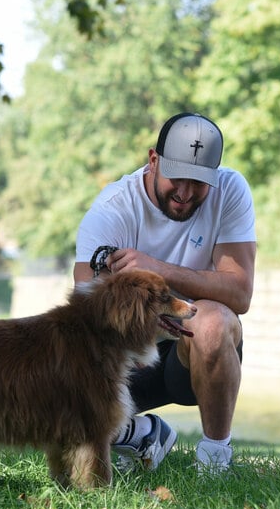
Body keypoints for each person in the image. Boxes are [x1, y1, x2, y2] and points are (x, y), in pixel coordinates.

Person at [73, 112, 256, 475]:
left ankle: (215, 460)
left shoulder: (231, 191)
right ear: (153, 160)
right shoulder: (113, 210)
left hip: (193, 352)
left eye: (199, 182)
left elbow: (240, 293)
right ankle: (141, 435)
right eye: (177, 178)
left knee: (216, 321)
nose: (186, 193)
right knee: (53, 408)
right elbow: (84, 316)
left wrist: (157, 268)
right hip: (129, 360)